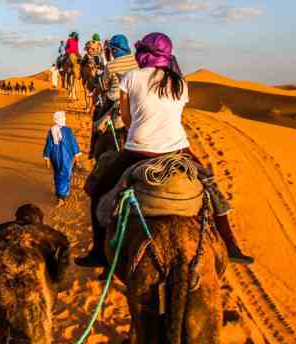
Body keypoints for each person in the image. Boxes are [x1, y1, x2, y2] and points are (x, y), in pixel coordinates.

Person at [75, 32, 254, 268]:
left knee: (98, 189)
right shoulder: (180, 83)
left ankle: (98, 251)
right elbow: (175, 114)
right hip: (178, 149)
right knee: (211, 187)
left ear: (143, 53)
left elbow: (127, 119)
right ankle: (230, 246)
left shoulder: (130, 78)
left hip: (138, 150)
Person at [43, 111, 82, 207]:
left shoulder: (51, 130)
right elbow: (73, 143)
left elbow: (49, 145)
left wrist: (47, 158)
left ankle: (61, 193)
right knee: (65, 175)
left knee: (58, 175)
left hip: (55, 157)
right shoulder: (68, 130)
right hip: (66, 157)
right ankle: (62, 197)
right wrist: (77, 157)